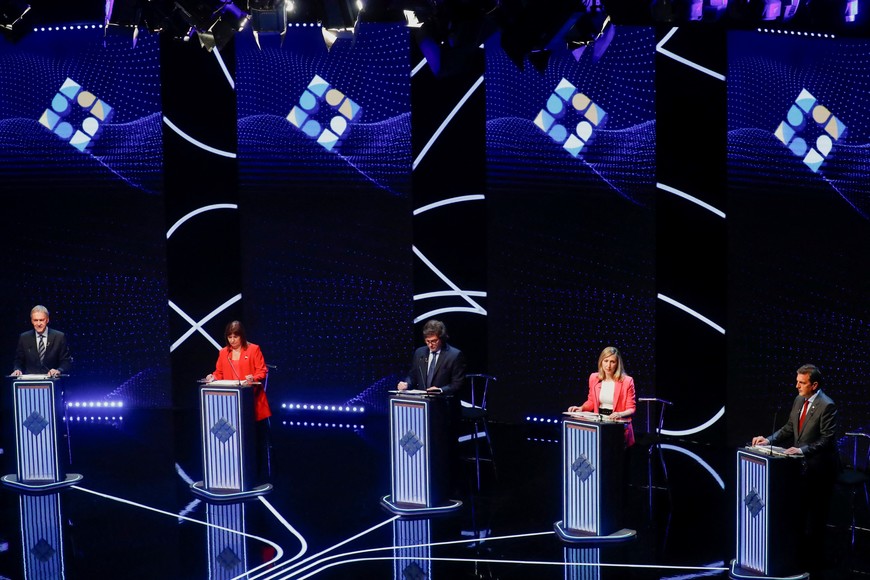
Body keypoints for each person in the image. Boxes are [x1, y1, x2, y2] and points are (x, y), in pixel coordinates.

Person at [751, 363, 838, 570]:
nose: (796, 386)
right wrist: (768, 440)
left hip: (820, 469)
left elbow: (827, 440)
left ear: (814, 385)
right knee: (798, 514)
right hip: (799, 469)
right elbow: (789, 428)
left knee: (816, 519)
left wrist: (801, 450)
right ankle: (797, 559)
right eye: (797, 381)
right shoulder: (799, 400)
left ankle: (815, 565)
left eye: (802, 383)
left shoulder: (827, 406)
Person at [205, 320, 272, 480]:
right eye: (230, 337)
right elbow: (219, 373)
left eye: (236, 336)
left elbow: (262, 371)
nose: (232, 340)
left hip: (253, 404)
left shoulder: (254, 349)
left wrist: (253, 377)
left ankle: (256, 476)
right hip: (230, 406)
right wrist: (212, 377)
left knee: (255, 441)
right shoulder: (223, 353)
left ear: (242, 336)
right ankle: (232, 474)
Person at [568, 346, 636, 447]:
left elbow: (631, 409)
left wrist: (619, 414)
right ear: (601, 362)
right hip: (599, 424)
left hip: (618, 427)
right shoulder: (594, 378)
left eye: (612, 362)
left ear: (618, 364)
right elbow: (591, 401)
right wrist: (581, 408)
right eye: (606, 361)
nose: (608, 365)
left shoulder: (627, 381)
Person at [397, 319, 467, 395]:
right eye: (427, 341)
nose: (430, 345)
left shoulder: (454, 355)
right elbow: (412, 376)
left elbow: (458, 384)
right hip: (423, 402)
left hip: (445, 403)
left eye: (434, 341)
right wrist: (406, 384)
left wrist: (440, 390)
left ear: (442, 338)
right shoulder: (419, 353)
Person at [11, 305, 71, 378]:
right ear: (31, 321)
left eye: (41, 320)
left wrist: (58, 370)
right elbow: (19, 360)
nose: (39, 324)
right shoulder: (24, 337)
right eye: (35, 320)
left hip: (52, 380)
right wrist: (17, 369)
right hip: (30, 381)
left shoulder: (59, 337)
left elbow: (66, 361)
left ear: (47, 320)